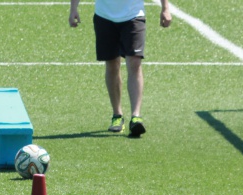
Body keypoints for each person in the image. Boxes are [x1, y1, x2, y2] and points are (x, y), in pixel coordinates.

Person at [69, 0, 171, 138]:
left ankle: (136, 117)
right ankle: (117, 115)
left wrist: (165, 8)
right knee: (112, 65)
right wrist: (73, 8)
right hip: (104, 16)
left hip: (134, 15)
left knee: (135, 63)